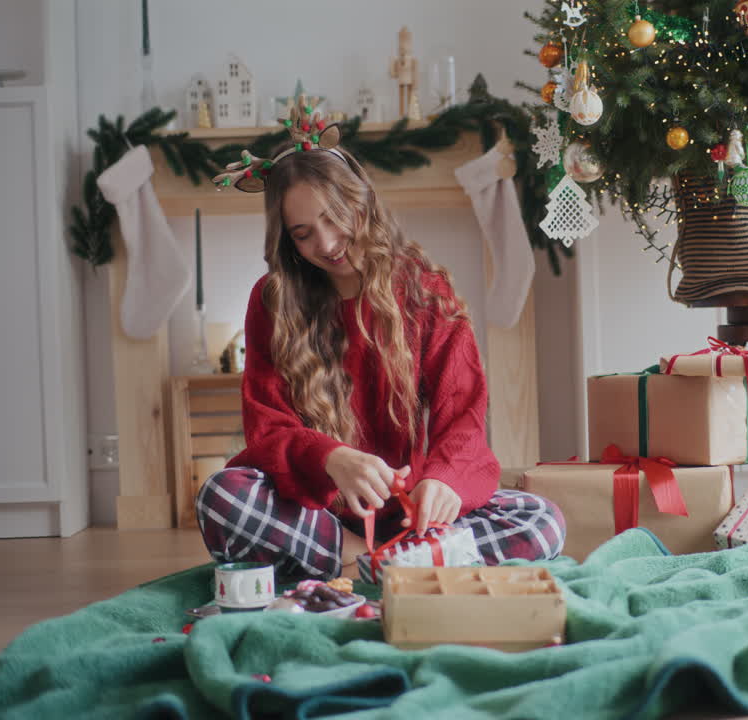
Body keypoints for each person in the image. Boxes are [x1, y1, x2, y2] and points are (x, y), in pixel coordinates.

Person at [196, 108, 564, 579]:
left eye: (334, 218)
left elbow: (463, 415)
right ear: (288, 241)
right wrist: (331, 458)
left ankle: (382, 559)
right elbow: (267, 429)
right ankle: (375, 558)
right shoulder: (273, 300)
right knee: (223, 497)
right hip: (319, 512)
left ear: (361, 201)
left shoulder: (424, 290)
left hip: (411, 510)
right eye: (304, 234)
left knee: (542, 521)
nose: (326, 244)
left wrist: (443, 481)